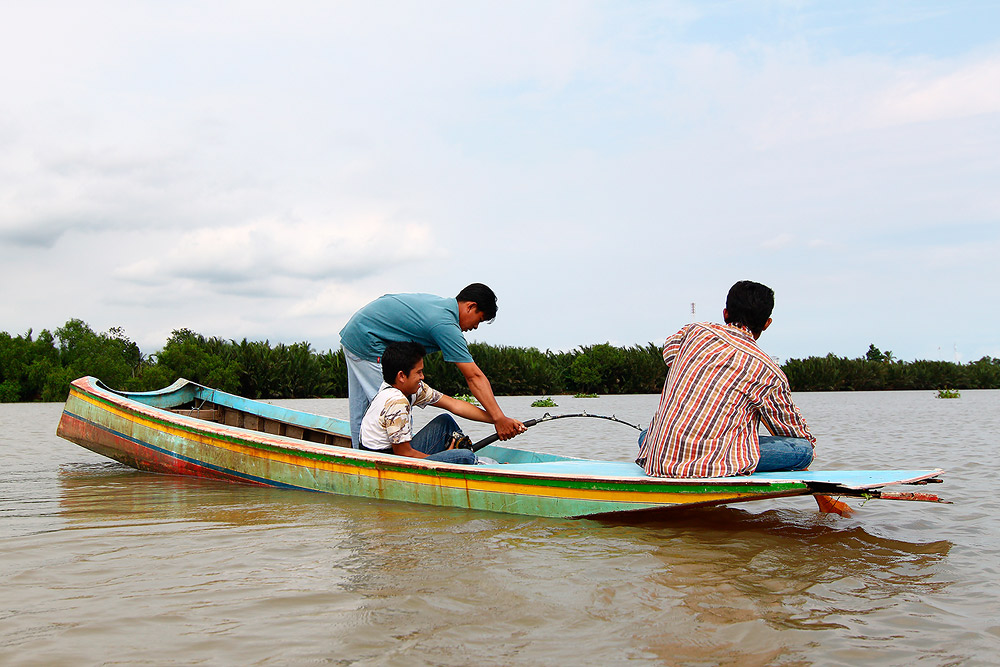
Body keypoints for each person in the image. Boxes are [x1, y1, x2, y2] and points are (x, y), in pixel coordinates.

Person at [636, 280, 815, 478]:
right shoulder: (768, 371)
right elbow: (793, 431)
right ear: (767, 323)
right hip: (711, 464)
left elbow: (669, 355)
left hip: (659, 457)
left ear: (725, 314)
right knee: (803, 450)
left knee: (646, 435)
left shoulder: (694, 332)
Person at [339, 283, 526, 448]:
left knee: (363, 411)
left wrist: (499, 419)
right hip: (369, 341)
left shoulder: (442, 307)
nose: (476, 327)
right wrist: (499, 418)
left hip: (356, 334)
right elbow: (474, 376)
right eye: (479, 320)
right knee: (395, 406)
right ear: (471, 307)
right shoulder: (445, 324)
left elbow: (454, 404)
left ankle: (360, 455)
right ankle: (399, 464)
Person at [359, 341, 490, 464]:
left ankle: (465, 457)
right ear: (401, 376)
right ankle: (478, 463)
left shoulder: (411, 388)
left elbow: (453, 404)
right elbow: (404, 454)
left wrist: (498, 420)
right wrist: (446, 459)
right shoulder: (396, 401)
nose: (422, 377)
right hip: (385, 462)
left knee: (445, 422)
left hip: (397, 453)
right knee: (465, 456)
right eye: (419, 372)